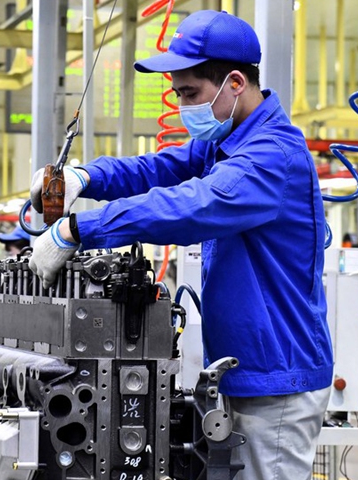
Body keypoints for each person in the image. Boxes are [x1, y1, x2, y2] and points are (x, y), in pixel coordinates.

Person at [28, 11, 332, 480]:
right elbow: (159, 169)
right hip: (246, 372)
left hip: (277, 381)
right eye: (177, 93)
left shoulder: (271, 155)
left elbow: (193, 207)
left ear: (234, 83)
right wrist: (84, 177)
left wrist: (79, 229)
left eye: (190, 93)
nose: (182, 104)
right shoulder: (227, 141)